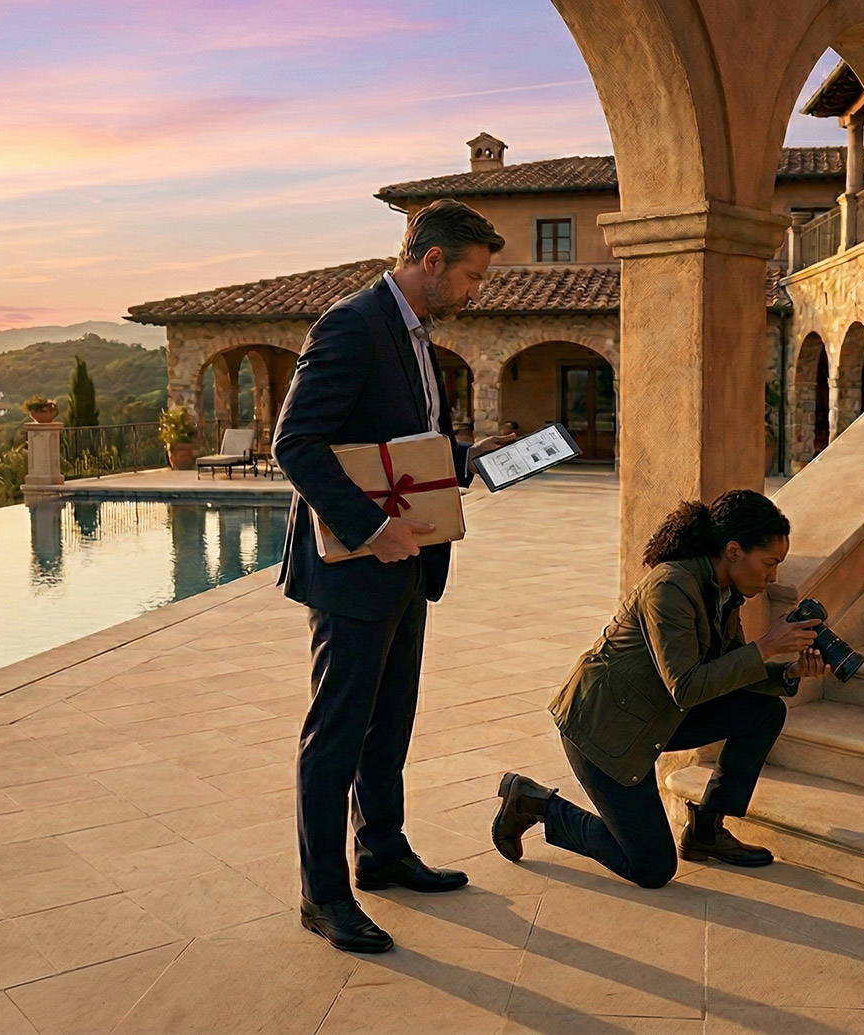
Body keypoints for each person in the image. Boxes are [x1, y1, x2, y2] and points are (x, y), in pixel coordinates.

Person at [273, 198, 517, 954]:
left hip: (410, 560)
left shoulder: (415, 334)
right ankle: (323, 894)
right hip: (356, 566)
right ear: (433, 261)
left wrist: (468, 458)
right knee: (337, 732)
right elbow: (296, 443)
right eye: (473, 275)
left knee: (390, 720)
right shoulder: (351, 324)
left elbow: (401, 443)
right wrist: (373, 528)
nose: (478, 290)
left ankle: (380, 848)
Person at [490, 490, 828, 888]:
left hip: (654, 716)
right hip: (604, 729)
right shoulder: (671, 586)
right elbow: (686, 686)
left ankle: (706, 829)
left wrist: (788, 672)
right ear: (734, 550)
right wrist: (767, 645)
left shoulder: (722, 592)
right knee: (651, 868)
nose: (773, 577)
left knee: (764, 712)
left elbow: (729, 671)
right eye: (769, 563)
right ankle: (533, 801)